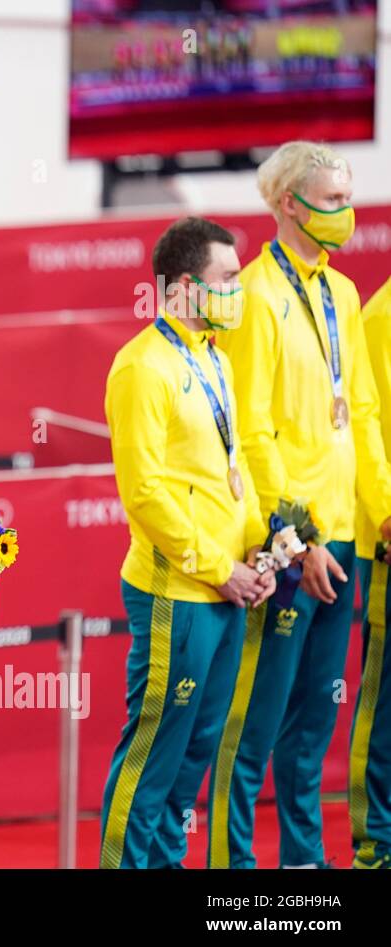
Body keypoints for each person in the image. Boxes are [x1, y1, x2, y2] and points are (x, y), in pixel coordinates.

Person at [211, 141, 391, 868]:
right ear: (289, 203)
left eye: (349, 197)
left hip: (347, 536)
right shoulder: (254, 295)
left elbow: (368, 412)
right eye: (331, 200)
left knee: (314, 727)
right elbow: (250, 435)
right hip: (290, 547)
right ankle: (235, 875)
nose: (346, 213)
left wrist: (381, 509)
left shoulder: (342, 292)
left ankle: (305, 869)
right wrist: (301, 536)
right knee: (256, 726)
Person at [100, 217, 274, 869]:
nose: (240, 289)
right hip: (179, 588)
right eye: (228, 278)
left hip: (226, 587)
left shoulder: (215, 358)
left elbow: (235, 469)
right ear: (182, 287)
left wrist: (254, 553)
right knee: (155, 751)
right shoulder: (142, 366)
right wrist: (215, 566)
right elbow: (144, 491)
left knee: (195, 754)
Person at [350, 272, 391, 869]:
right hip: (388, 541)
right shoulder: (381, 317)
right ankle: (377, 840)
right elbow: (368, 430)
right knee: (384, 699)